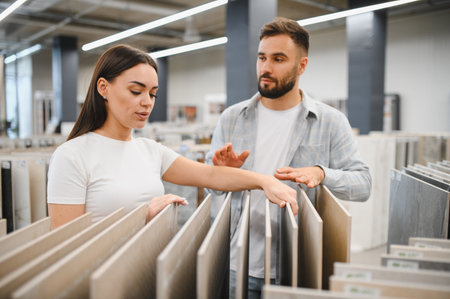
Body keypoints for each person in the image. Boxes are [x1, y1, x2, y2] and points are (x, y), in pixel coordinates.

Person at [205, 17, 371, 298]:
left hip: (296, 262)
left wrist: (322, 173)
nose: (266, 68)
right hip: (236, 261)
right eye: (262, 58)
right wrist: (219, 174)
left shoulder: (330, 121)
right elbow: (210, 186)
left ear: (301, 66)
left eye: (278, 59)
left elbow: (363, 184)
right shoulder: (232, 118)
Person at [47, 44, 298, 229]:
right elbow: (66, 245)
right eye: (136, 91)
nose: (147, 103)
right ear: (104, 88)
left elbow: (209, 174)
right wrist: (141, 217)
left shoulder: (150, 150)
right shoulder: (72, 155)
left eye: (153, 93)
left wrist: (265, 181)